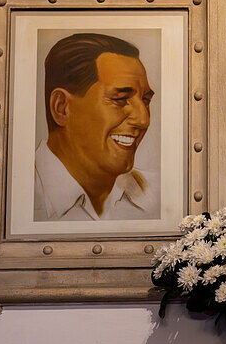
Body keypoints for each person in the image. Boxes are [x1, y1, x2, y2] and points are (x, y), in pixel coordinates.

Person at [34, 32, 158, 221]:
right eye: (120, 99)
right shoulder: (15, 193)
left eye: (145, 100)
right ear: (62, 108)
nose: (143, 120)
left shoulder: (159, 191)